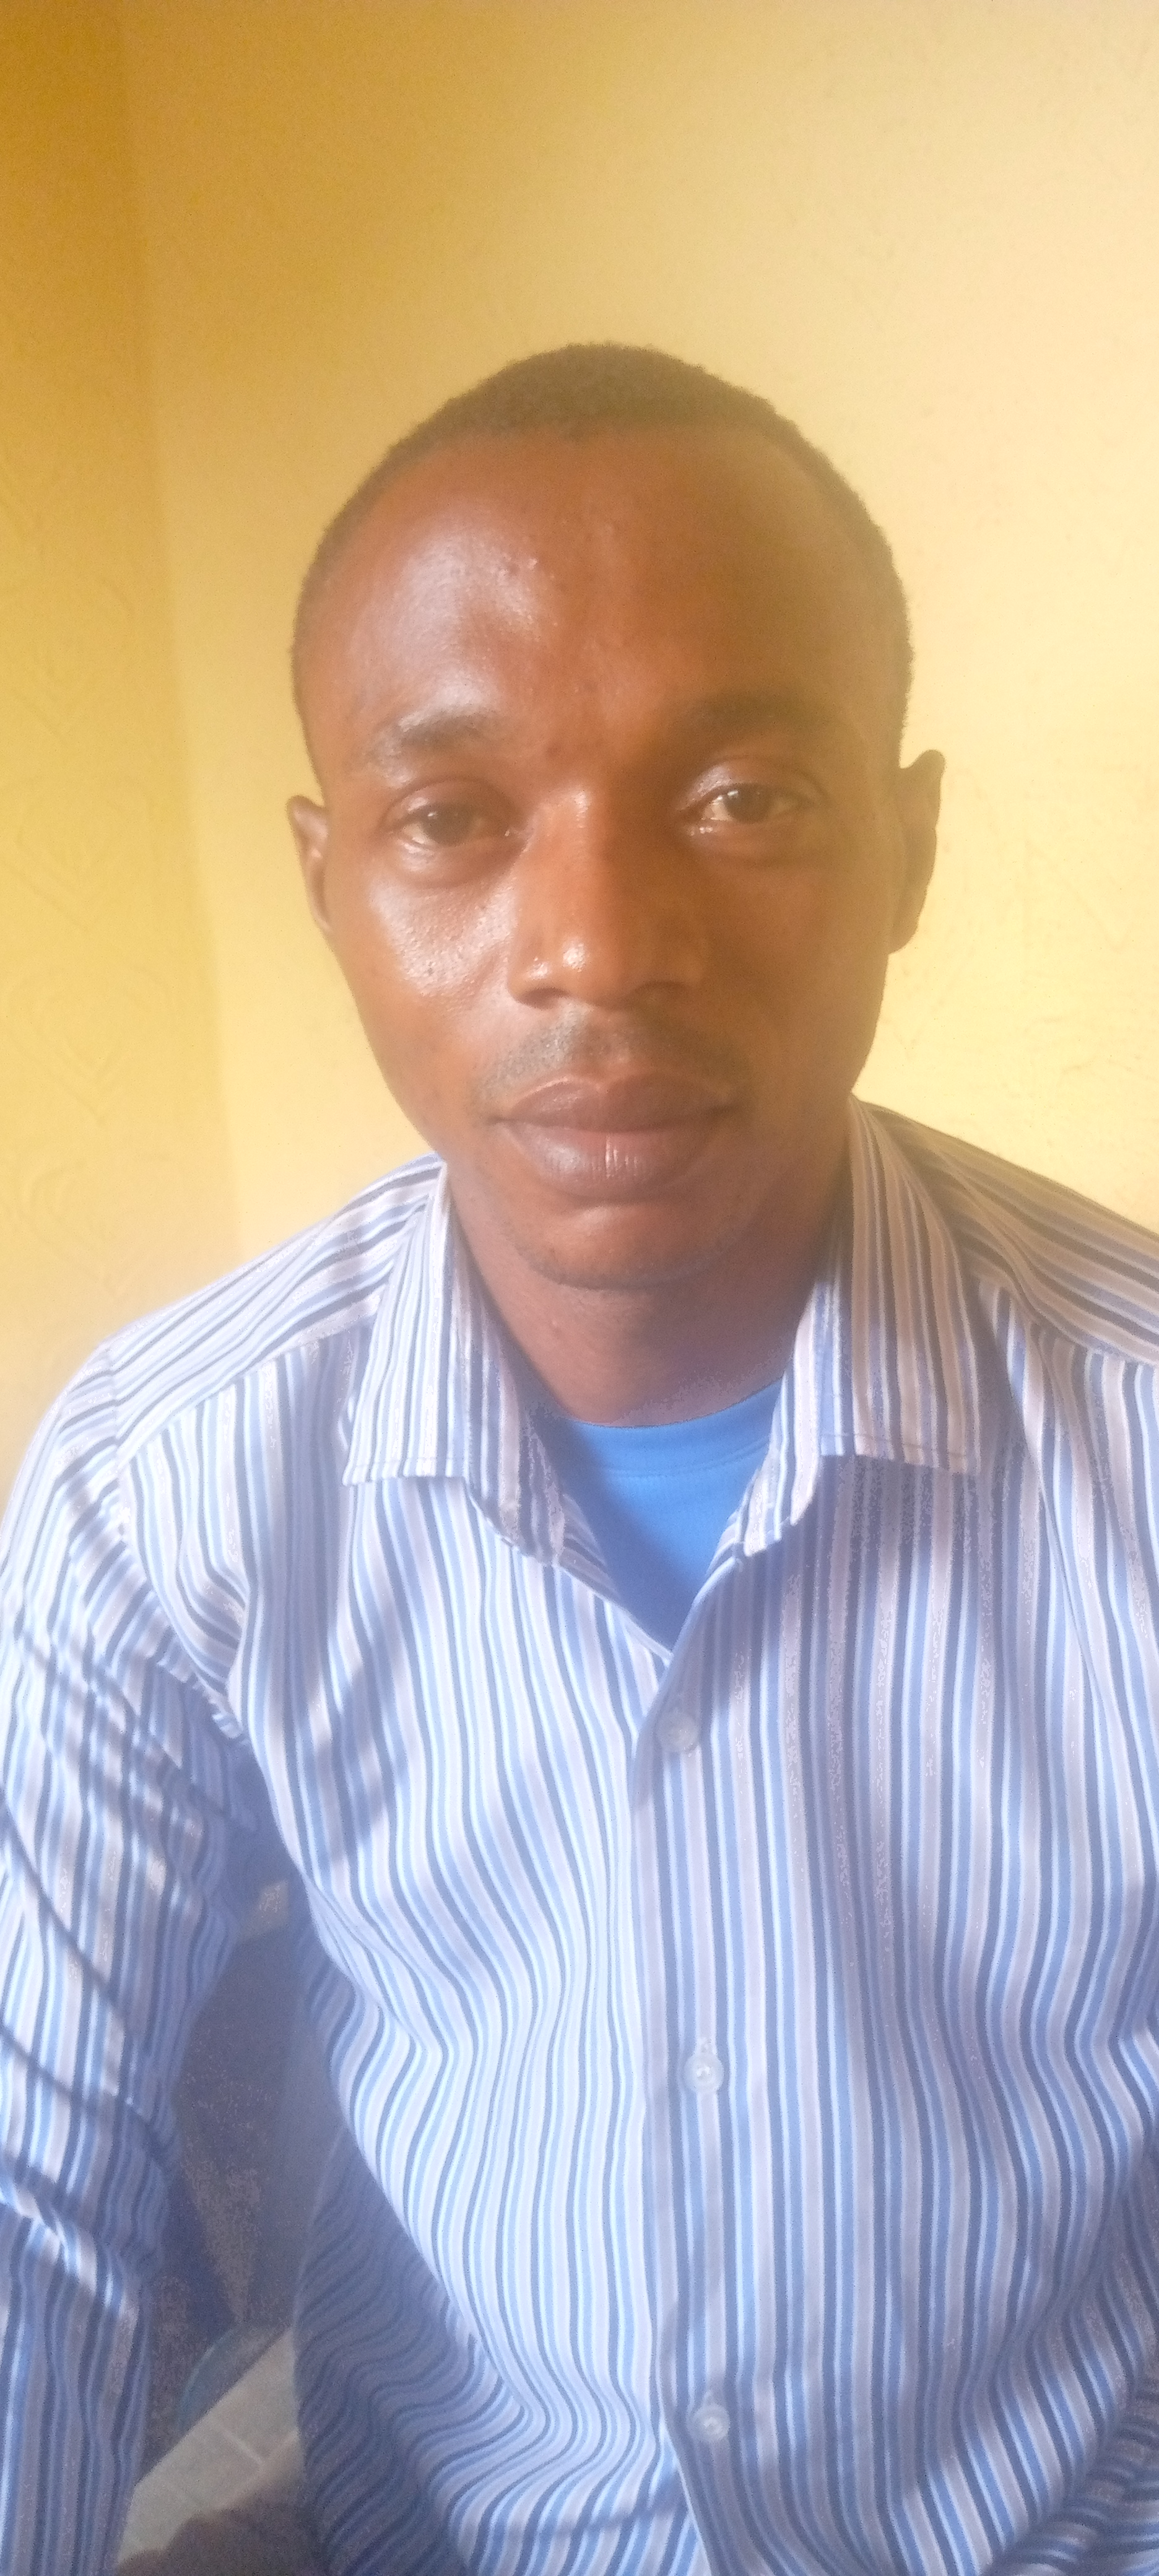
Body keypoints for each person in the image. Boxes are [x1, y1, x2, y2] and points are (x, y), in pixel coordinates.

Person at [3, 342, 1159, 2576]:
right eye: (452, 820)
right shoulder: (164, 1491)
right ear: (329, 883)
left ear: (909, 851)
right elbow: (28, 2207)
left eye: (742, 794)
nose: (598, 951)